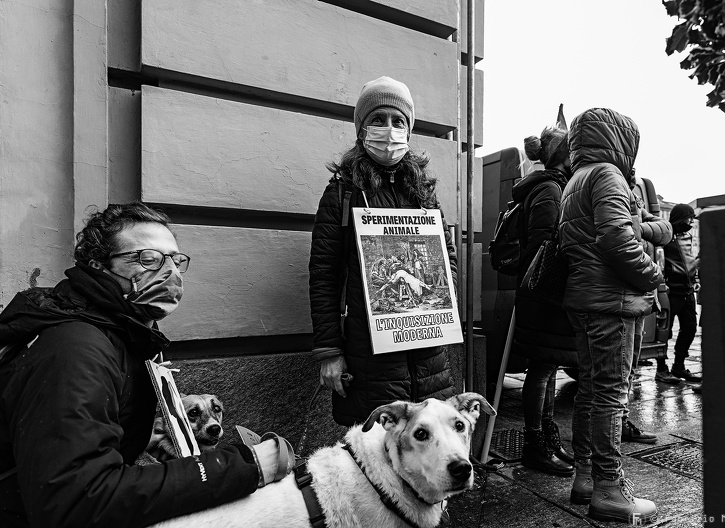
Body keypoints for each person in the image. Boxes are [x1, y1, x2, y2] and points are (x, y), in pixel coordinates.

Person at [0, 203, 290, 527]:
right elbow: (78, 501)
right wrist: (243, 466)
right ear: (99, 266)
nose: (171, 273)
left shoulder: (126, 334)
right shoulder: (76, 352)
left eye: (175, 260)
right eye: (148, 258)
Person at [309, 76, 457, 426]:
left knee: (426, 454)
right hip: (370, 357)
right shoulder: (342, 194)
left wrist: (438, 307)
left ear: (408, 131)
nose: (388, 130)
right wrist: (330, 352)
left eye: (398, 121)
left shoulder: (423, 193)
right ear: (362, 129)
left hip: (427, 352)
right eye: (378, 120)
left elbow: (447, 260)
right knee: (377, 456)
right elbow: (324, 277)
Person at [559, 108, 662, 523]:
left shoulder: (576, 179)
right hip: (612, 304)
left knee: (590, 391)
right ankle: (610, 489)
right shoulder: (608, 175)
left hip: (586, 301)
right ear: (621, 140)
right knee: (611, 396)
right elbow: (617, 237)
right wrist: (652, 275)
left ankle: (585, 477)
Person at [511, 126, 576, 477]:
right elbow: (543, 245)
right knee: (540, 369)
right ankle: (535, 445)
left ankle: (548, 439)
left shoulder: (552, 185)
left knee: (548, 366)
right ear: (563, 156)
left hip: (546, 291)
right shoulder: (550, 188)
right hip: (543, 292)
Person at [620, 191, 674, 445]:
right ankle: (607, 434)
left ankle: (620, 422)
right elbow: (618, 241)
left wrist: (638, 226)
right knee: (616, 374)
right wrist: (654, 274)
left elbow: (666, 229)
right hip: (625, 295)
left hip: (641, 296)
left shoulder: (633, 196)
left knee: (630, 367)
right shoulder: (608, 185)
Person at [658, 203, 701, 383]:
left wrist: (695, 280)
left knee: (690, 328)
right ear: (679, 217)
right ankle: (661, 370)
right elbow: (659, 260)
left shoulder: (688, 236)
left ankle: (679, 366)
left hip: (688, 291)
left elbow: (689, 261)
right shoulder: (664, 236)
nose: (691, 221)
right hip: (671, 292)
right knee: (664, 333)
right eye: (688, 217)